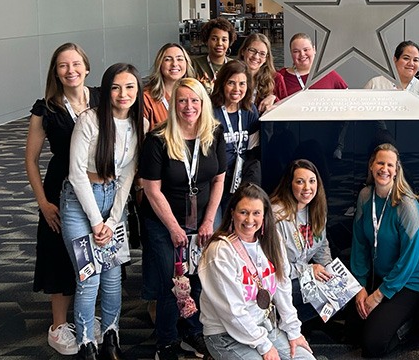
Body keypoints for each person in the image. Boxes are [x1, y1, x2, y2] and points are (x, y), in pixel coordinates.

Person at [61, 63, 144, 360]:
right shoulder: (90, 121)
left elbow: (127, 177)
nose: (123, 94)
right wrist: (97, 222)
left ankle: (111, 334)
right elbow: (76, 173)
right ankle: (86, 342)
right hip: (78, 204)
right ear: (106, 89)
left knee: (112, 276)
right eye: (116, 87)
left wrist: (112, 219)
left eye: (130, 87)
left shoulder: (137, 123)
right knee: (89, 277)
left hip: (113, 202)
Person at [141, 78, 227, 360]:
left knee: (200, 278)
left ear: (203, 104)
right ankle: (165, 342)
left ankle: (192, 332)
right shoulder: (158, 139)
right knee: (172, 281)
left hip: (201, 220)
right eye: (182, 100)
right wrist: (174, 228)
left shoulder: (214, 133)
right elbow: (152, 190)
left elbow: (218, 180)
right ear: (174, 103)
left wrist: (208, 221)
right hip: (163, 222)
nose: (189, 107)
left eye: (195, 101)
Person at [25, 43, 100, 356]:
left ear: (86, 66)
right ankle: (58, 325)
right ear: (55, 72)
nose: (71, 71)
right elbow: (30, 160)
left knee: (95, 250)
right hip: (60, 186)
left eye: (75, 64)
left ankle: (84, 314)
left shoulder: (100, 97)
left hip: (97, 184)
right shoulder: (46, 108)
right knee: (59, 252)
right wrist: (42, 202)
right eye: (63, 66)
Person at [198, 184, 315, 360]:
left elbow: (283, 288)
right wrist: (264, 346)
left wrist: (293, 332)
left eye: (256, 213)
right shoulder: (220, 251)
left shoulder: (270, 240)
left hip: (263, 326)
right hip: (225, 335)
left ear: (265, 215)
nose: (249, 220)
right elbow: (232, 312)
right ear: (232, 212)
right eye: (243, 212)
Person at [350, 144, 419, 358]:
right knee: (350, 330)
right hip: (381, 278)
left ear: (396, 170)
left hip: (408, 282)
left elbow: (409, 259)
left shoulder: (407, 205)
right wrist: (360, 286)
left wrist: (378, 296)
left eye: (390, 165)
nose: (384, 168)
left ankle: (416, 320)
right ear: (371, 166)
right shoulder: (365, 196)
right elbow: (359, 243)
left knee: (373, 345)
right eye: (380, 163)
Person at [269, 159, 334, 322]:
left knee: (341, 292)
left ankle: (291, 325)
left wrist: (329, 271)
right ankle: (279, 324)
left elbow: (321, 246)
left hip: (301, 276)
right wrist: (308, 270)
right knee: (322, 290)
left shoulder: (316, 209)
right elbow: (276, 268)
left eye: (312, 181)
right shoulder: (276, 216)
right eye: (300, 182)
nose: (307, 188)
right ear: (290, 184)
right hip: (279, 282)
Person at [211, 60, 261, 206]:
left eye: (242, 84)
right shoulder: (211, 111)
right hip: (217, 182)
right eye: (231, 83)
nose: (236, 89)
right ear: (221, 84)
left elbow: (253, 151)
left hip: (242, 181)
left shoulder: (250, 111)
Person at [363, 40, 419, 109]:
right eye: (406, 58)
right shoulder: (375, 84)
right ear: (395, 60)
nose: (411, 63)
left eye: (415, 60)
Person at [274, 33, 348, 99]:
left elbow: (347, 98)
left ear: (314, 50)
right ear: (291, 53)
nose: (302, 54)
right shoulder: (281, 77)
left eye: (306, 50)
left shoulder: (327, 73)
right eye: (296, 51)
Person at [144, 43, 196, 130]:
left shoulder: (196, 94)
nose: (175, 64)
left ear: (187, 63)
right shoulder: (146, 98)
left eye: (180, 59)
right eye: (168, 59)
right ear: (160, 64)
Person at [237, 32, 285, 113]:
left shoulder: (276, 78)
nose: (256, 56)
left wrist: (274, 99)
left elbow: (285, 110)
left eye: (262, 54)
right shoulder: (232, 76)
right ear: (243, 51)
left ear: (266, 58)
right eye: (252, 50)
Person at [193, 18, 237, 91]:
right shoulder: (194, 64)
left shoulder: (234, 66)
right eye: (214, 39)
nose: (219, 43)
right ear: (207, 41)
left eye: (224, 40)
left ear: (229, 42)